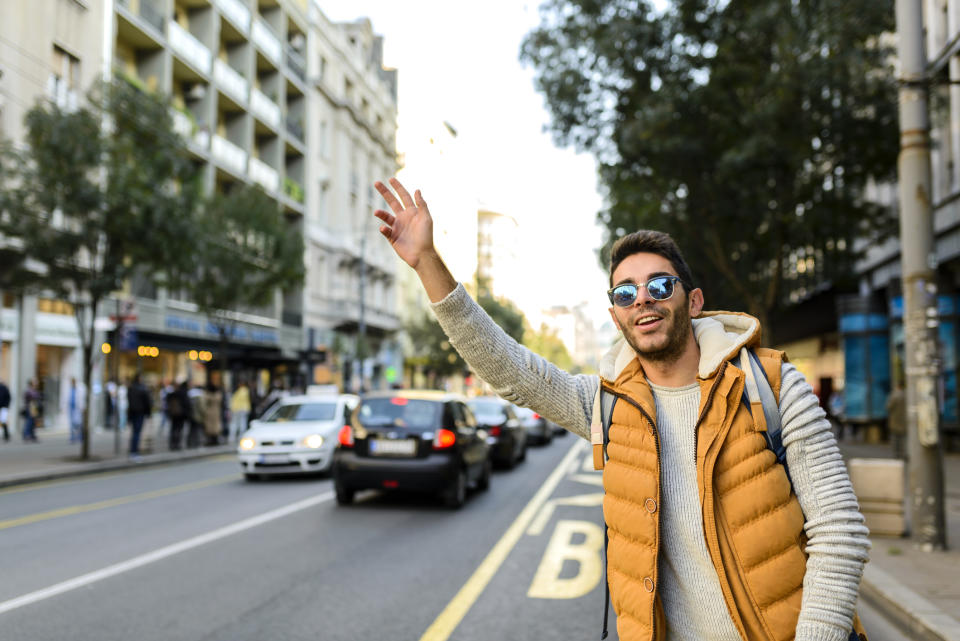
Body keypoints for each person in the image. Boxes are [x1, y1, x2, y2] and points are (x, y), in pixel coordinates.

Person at [373, 178, 870, 641]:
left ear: (693, 301)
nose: (643, 301)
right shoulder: (606, 405)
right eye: (626, 293)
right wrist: (427, 263)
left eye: (660, 285)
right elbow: (512, 372)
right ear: (616, 315)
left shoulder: (773, 386)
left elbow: (839, 533)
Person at [126, 374, 152, 458]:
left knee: (134, 432)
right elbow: (147, 402)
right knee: (137, 432)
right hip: (139, 413)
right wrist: (148, 413)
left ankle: (133, 450)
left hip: (132, 412)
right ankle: (134, 451)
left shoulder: (131, 388)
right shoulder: (142, 389)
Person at [166, 380, 190, 450]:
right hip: (181, 415)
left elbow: (167, 404)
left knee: (173, 429)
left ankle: (172, 444)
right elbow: (186, 404)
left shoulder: (170, 394)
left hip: (173, 414)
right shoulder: (182, 393)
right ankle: (176, 444)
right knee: (178, 429)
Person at [886, 382, 907, 460]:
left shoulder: (894, 395)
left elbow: (888, 407)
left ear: (897, 386)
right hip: (904, 419)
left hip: (895, 419)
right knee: (904, 437)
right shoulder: (907, 395)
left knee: (895, 438)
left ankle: (896, 453)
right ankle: (904, 453)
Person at [62, 377, 86, 444]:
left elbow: (81, 399)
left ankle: (80, 436)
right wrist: (63, 407)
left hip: (77, 408)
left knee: (79, 423)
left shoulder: (79, 388)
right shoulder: (69, 389)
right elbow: (65, 399)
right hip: (71, 409)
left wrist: (82, 407)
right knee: (71, 424)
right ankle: (72, 437)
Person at [201, 382, 223, 446]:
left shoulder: (207, 395)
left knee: (209, 427)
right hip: (216, 412)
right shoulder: (218, 395)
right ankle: (215, 440)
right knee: (215, 426)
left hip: (209, 412)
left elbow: (204, 401)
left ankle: (210, 440)